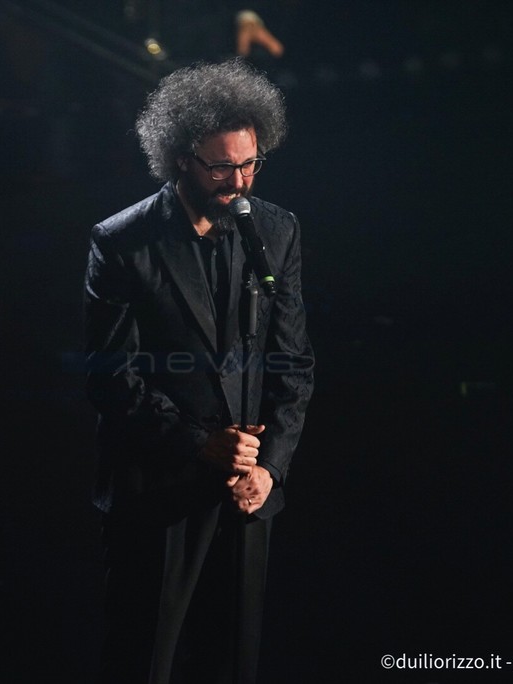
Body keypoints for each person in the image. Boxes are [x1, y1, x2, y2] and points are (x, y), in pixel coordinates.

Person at [83, 57, 314, 683]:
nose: (239, 181)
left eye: (250, 164)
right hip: (157, 493)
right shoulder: (121, 242)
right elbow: (111, 378)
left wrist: (270, 468)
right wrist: (199, 444)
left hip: (246, 494)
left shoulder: (276, 230)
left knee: (232, 663)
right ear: (181, 157)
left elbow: (293, 360)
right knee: (142, 663)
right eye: (221, 167)